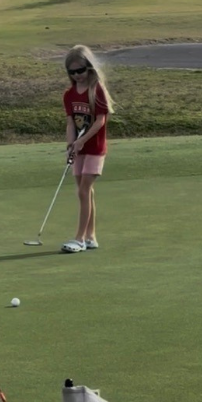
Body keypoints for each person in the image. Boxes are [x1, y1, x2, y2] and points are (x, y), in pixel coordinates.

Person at [60, 45, 114, 254]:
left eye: (80, 70)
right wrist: (71, 145)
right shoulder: (69, 94)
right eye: (72, 72)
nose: (77, 75)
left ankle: (80, 239)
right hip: (79, 149)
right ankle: (91, 237)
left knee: (83, 191)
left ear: (89, 67)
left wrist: (83, 141)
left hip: (95, 149)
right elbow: (70, 123)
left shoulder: (96, 89)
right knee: (85, 192)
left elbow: (100, 120)